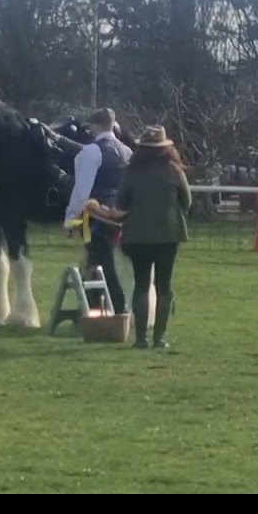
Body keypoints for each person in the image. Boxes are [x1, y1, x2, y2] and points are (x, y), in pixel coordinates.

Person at [88, 125, 190, 349]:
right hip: (168, 234)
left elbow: (122, 203)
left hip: (137, 236)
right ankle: (160, 339)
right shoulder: (174, 170)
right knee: (165, 285)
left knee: (141, 284)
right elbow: (187, 202)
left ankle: (141, 338)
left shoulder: (132, 171)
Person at [63, 108, 132, 317]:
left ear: (95, 126)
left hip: (94, 215)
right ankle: (106, 307)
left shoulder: (92, 151)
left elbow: (81, 191)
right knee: (106, 261)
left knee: (97, 261)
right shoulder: (127, 151)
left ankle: (105, 309)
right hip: (121, 214)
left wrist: (70, 220)